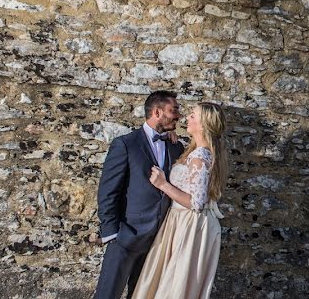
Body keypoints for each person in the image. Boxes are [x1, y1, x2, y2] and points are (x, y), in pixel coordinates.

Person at [131, 102, 229, 299]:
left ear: (203, 124)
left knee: (174, 285)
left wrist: (163, 184)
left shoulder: (200, 155)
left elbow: (196, 203)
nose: (187, 118)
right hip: (179, 221)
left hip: (188, 224)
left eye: (193, 116)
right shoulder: (197, 151)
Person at [94, 90, 184, 299]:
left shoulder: (175, 146)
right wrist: (113, 234)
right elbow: (108, 192)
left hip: (158, 242)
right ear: (157, 112)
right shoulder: (125, 144)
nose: (178, 115)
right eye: (174, 110)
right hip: (126, 237)